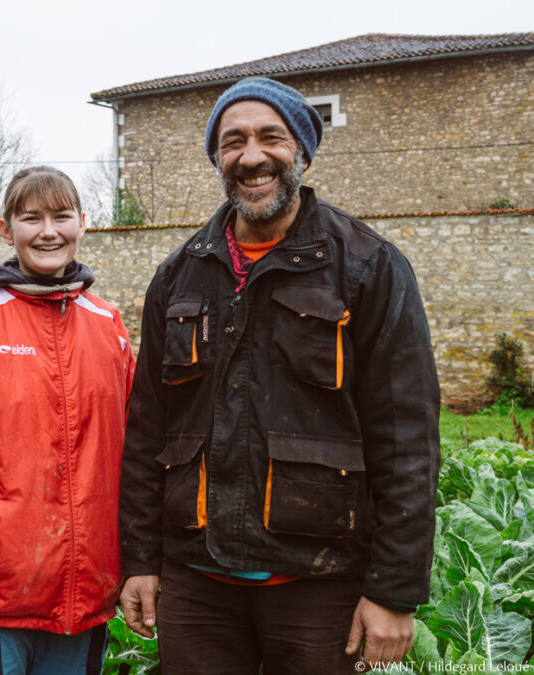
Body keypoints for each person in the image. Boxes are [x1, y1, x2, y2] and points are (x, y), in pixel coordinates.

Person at [117, 77, 440, 674]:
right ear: (218, 158)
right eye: (233, 141)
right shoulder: (178, 276)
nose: (252, 155)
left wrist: (393, 593)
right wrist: (140, 560)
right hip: (198, 584)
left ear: (304, 153)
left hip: (321, 585)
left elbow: (407, 439)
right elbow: (148, 430)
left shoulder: (368, 267)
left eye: (272, 137)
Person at [0, 166, 134, 673]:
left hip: (84, 603)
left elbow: (133, 459)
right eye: (31, 218)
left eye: (61, 216)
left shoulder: (109, 326)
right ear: (5, 229)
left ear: (83, 222)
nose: (48, 230)